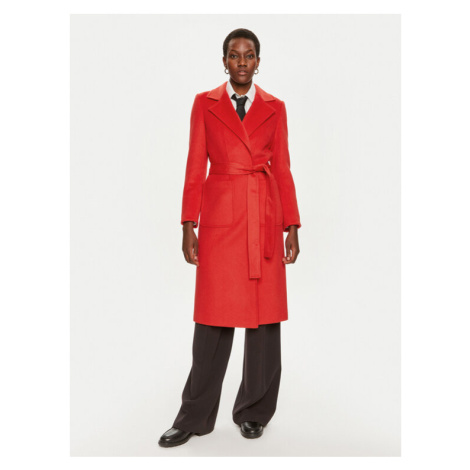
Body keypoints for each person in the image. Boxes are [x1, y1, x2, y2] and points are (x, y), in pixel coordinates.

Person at [158, 28, 301, 448]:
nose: (242, 62)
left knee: (264, 320)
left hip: (263, 216)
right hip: (220, 218)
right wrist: (188, 223)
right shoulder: (205, 104)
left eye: (249, 55)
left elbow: (284, 167)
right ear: (224, 62)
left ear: (258, 61)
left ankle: (254, 411)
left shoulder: (276, 108)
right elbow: (194, 164)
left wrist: (292, 225)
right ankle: (194, 416)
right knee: (212, 319)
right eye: (234, 55)